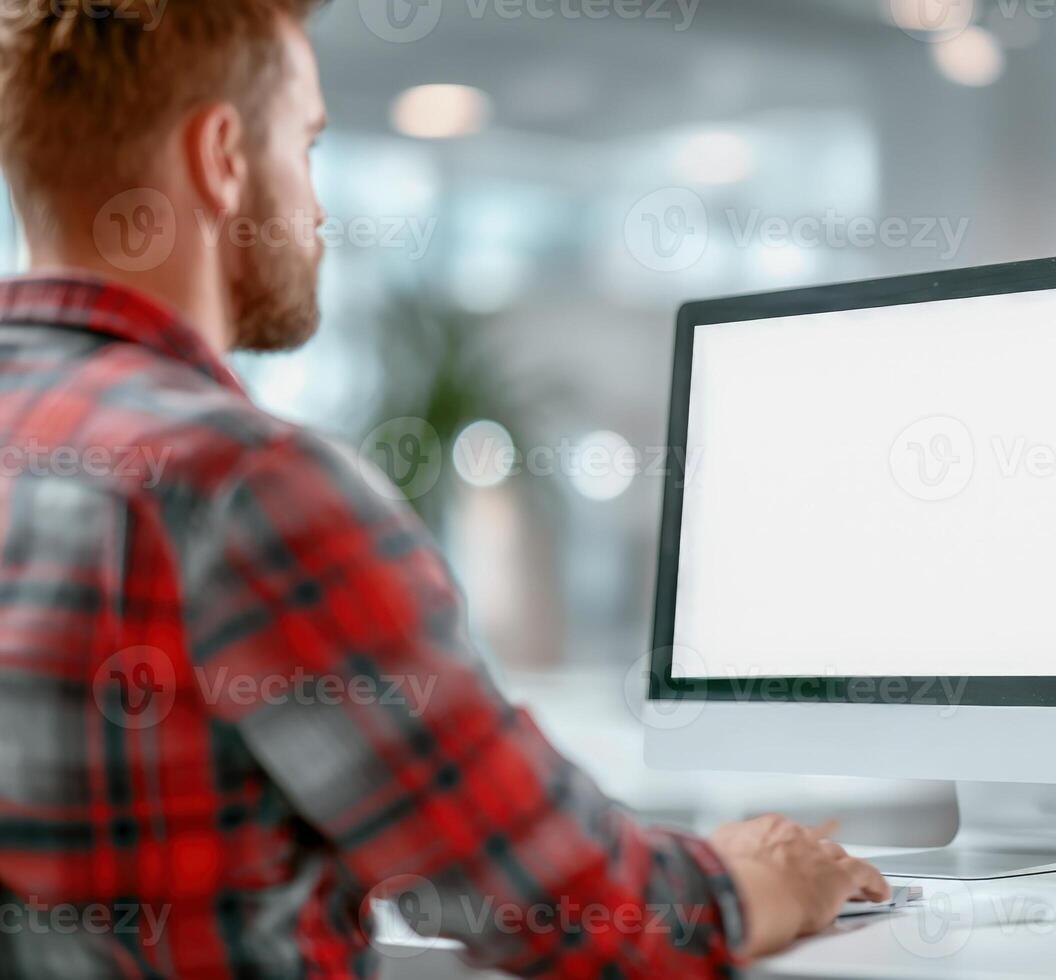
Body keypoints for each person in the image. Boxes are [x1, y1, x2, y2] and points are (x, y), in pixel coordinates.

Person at [0, 1, 888, 976]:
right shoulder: (244, 487)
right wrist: (767, 875)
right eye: (307, 142)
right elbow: (577, 910)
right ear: (222, 158)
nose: (321, 207)